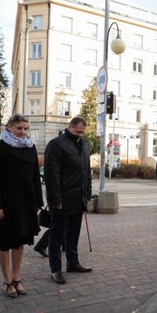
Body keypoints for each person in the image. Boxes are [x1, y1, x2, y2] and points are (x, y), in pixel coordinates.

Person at [0, 114, 43, 298]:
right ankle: (7, 281)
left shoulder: (30, 146)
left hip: (26, 202)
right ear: (8, 127)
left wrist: (38, 202)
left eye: (25, 128)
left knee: (20, 240)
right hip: (6, 202)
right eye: (19, 128)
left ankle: (17, 278)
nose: (22, 132)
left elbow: (35, 176)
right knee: (5, 242)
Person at [45, 117, 93, 284]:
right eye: (78, 131)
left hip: (78, 199)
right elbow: (52, 174)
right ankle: (55, 269)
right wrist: (55, 199)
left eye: (82, 132)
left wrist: (87, 195)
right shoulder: (56, 144)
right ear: (69, 127)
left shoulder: (84, 145)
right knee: (56, 236)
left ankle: (73, 263)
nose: (80, 134)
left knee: (73, 234)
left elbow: (87, 172)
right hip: (62, 200)